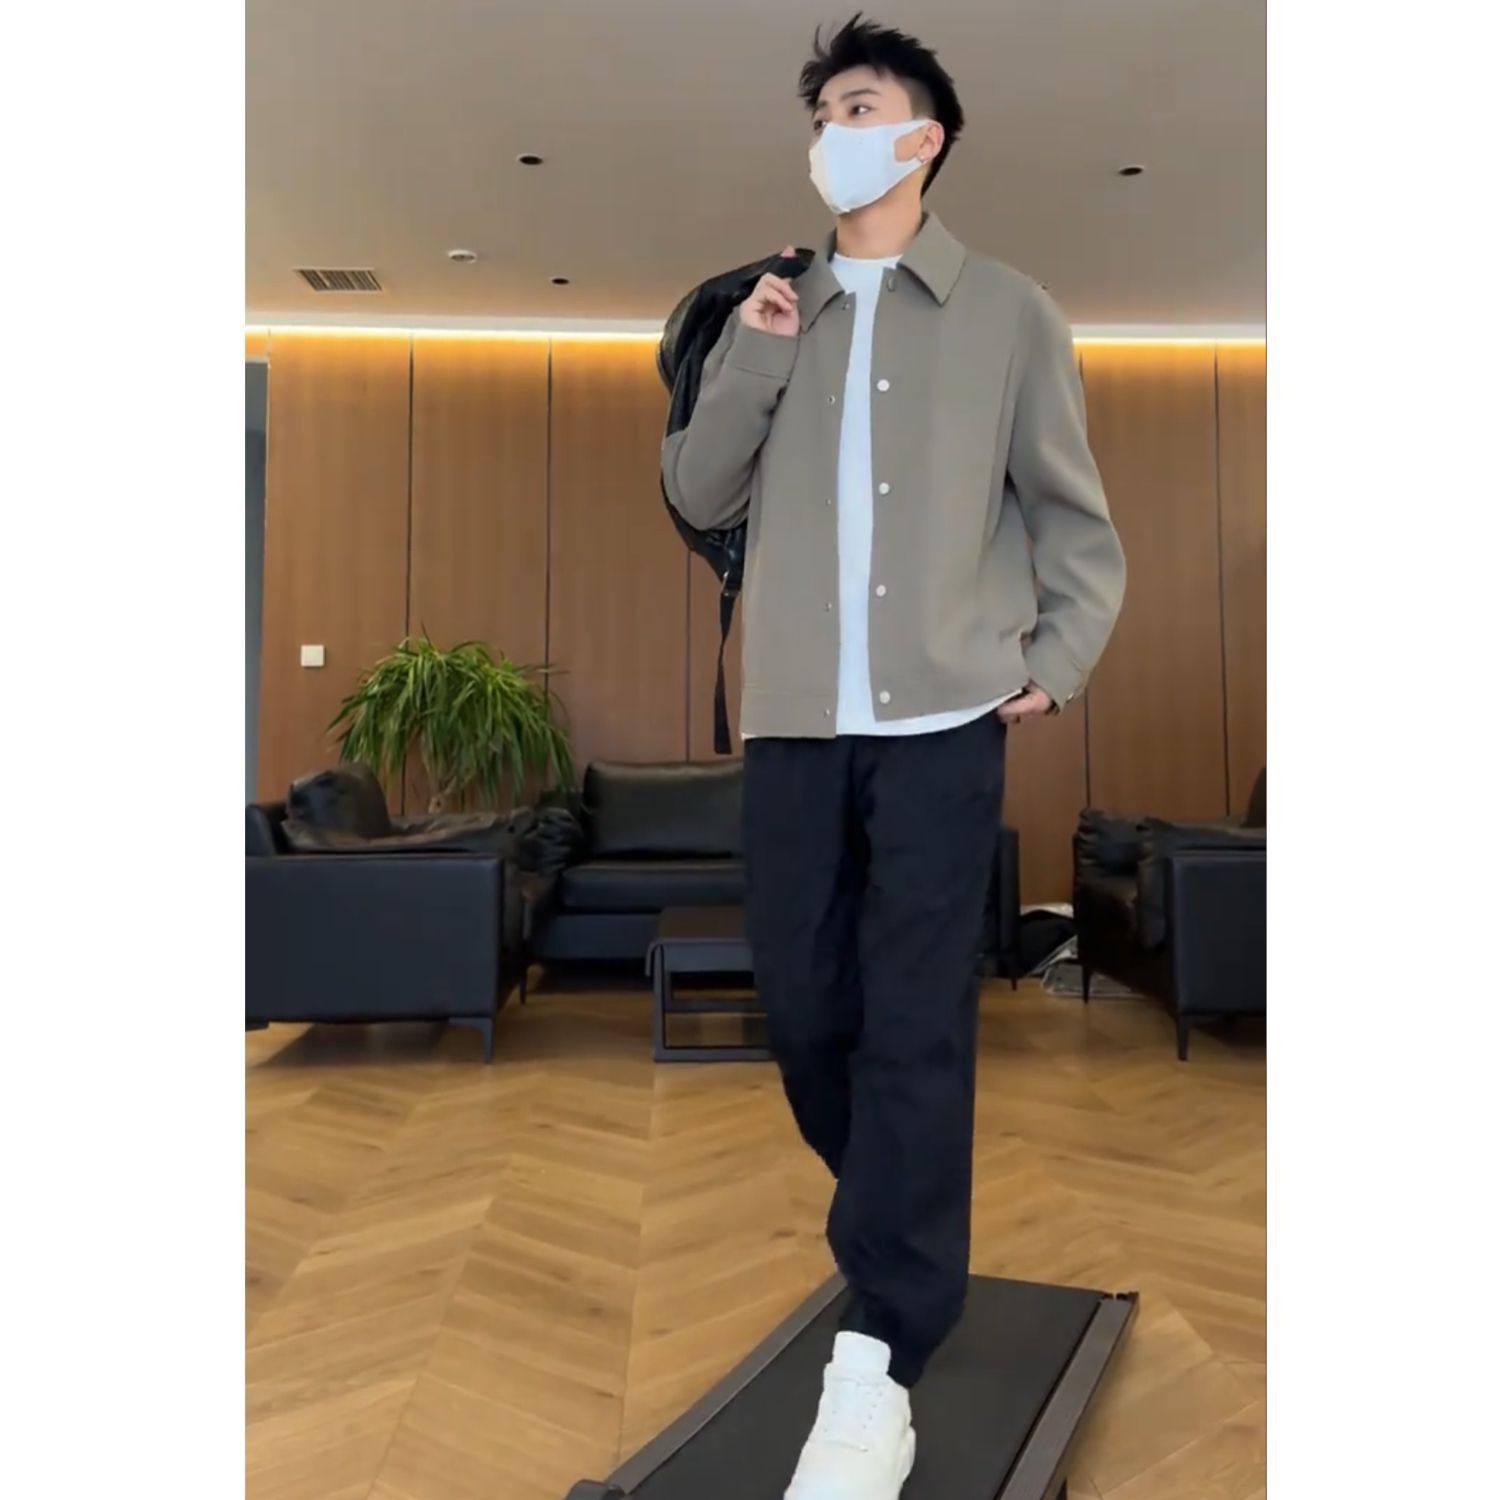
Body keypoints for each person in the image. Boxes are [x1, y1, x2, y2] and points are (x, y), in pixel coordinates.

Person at [660, 14, 1127, 1499]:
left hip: (940, 727)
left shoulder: (1010, 314)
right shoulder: (770, 307)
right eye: (822, 111)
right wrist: (752, 358)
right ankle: (898, 1232)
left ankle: (884, 1346)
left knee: (916, 1024)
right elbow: (697, 489)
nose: (832, 131)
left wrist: (1058, 656)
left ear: (922, 138)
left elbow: (1072, 514)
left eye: (858, 107)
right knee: (807, 1010)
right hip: (799, 723)